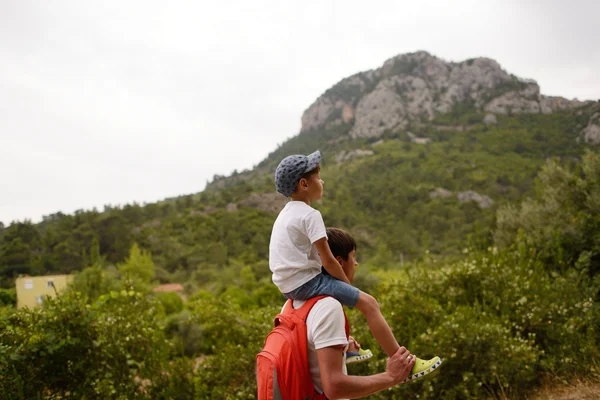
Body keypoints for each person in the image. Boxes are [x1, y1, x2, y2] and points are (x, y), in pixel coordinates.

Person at [269, 150, 441, 382]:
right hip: (306, 282)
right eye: (318, 177)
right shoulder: (310, 215)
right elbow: (328, 259)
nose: (323, 181)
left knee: (338, 298)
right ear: (304, 184)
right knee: (369, 303)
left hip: (287, 287)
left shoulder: (284, 215)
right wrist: (347, 285)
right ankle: (404, 362)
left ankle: (347, 347)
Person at [289, 227, 420, 399]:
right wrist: (391, 377)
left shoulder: (293, 302)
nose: (356, 263)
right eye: (353, 256)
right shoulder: (328, 307)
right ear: (339, 261)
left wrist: (340, 346)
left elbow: (307, 352)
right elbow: (334, 387)